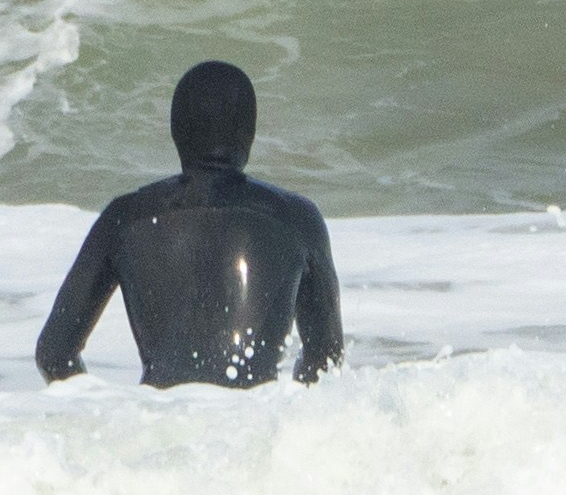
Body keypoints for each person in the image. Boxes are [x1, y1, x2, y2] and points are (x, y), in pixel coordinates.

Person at [37, 60, 343, 389]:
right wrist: (286, 415)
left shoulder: (123, 218)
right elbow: (325, 358)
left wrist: (112, 412)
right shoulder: (297, 218)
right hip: (255, 418)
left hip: (163, 417)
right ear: (250, 133)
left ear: (175, 132)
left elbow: (54, 354)